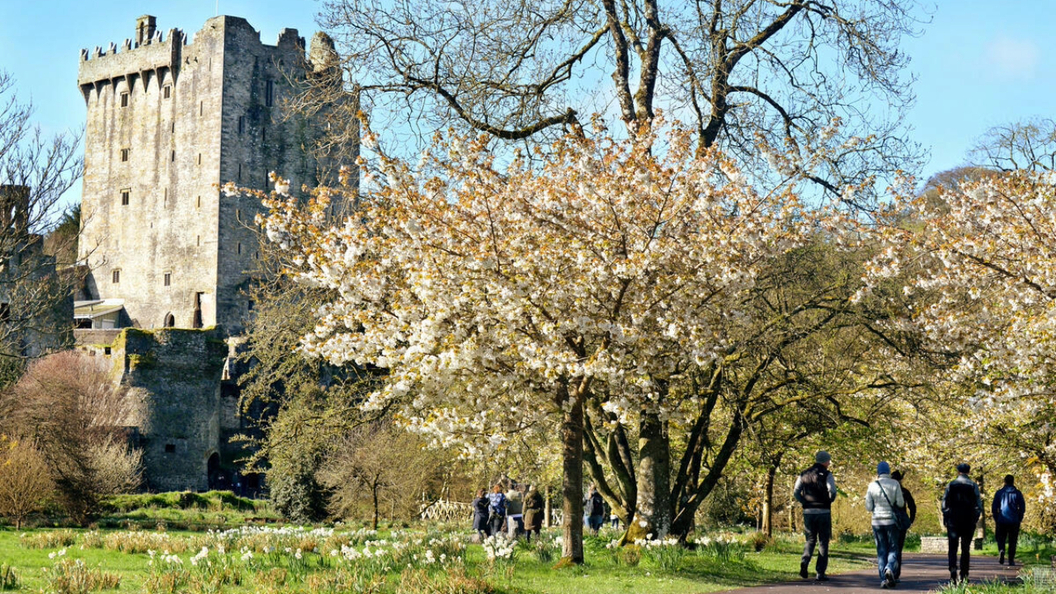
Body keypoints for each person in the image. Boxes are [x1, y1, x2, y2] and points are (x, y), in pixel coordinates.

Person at [793, 451, 837, 581]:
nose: (829, 463)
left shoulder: (804, 474)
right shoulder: (827, 474)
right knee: (823, 541)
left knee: (810, 540)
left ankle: (805, 562)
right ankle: (820, 572)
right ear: (824, 461)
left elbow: (796, 491)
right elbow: (832, 490)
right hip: (823, 511)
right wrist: (830, 500)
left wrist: (804, 501)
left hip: (808, 512)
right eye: (828, 461)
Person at [866, 462, 905, 589]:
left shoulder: (872, 486)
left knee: (881, 550)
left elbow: (868, 507)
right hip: (891, 521)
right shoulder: (895, 484)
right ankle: (889, 568)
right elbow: (900, 503)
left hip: (877, 521)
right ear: (888, 472)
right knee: (894, 548)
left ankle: (883, 579)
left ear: (878, 472)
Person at [942, 463, 983, 584]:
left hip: (953, 521)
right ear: (969, 472)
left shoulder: (951, 485)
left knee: (952, 547)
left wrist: (947, 515)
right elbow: (978, 504)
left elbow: (944, 503)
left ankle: (953, 570)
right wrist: (975, 517)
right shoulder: (973, 485)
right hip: (968, 521)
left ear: (958, 472)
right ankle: (964, 574)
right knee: (965, 548)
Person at [991, 474, 1026, 566]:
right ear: (1013, 481)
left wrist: (996, 518)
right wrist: (1019, 517)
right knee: (1012, 540)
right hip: (1014, 520)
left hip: (1002, 519)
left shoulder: (999, 493)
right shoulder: (1017, 493)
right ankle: (1011, 560)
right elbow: (1022, 507)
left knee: (1000, 538)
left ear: (1005, 481)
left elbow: (994, 507)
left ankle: (1001, 549)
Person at [890, 470, 916, 581]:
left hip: (889, 521)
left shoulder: (888, 491)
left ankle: (889, 569)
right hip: (901, 522)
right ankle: (896, 573)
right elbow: (912, 506)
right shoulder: (904, 491)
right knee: (898, 548)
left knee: (890, 546)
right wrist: (911, 519)